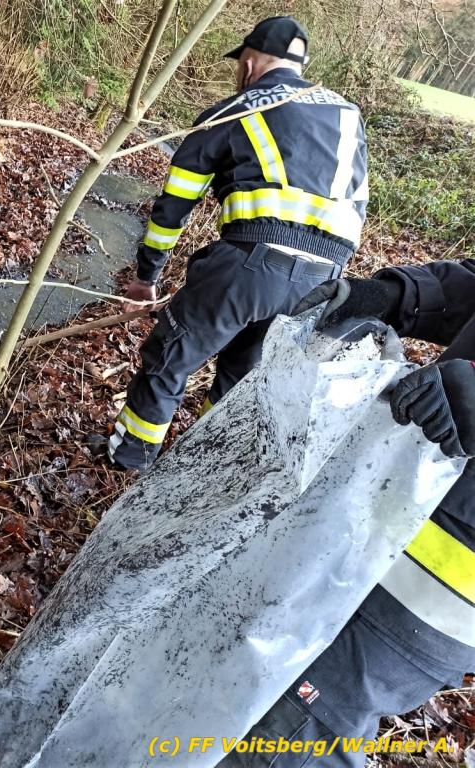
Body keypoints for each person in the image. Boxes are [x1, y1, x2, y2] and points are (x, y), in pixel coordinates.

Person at [220, 262, 475, 766]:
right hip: (383, 511)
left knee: (290, 729)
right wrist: (394, 296)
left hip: (430, 588)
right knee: (234, 682)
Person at [105, 17, 369, 471]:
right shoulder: (348, 114)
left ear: (249, 63)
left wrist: (147, 276)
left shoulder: (234, 110)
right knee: (240, 379)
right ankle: (196, 472)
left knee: (169, 358)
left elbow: (175, 201)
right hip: (322, 281)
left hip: (252, 263)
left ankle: (128, 461)